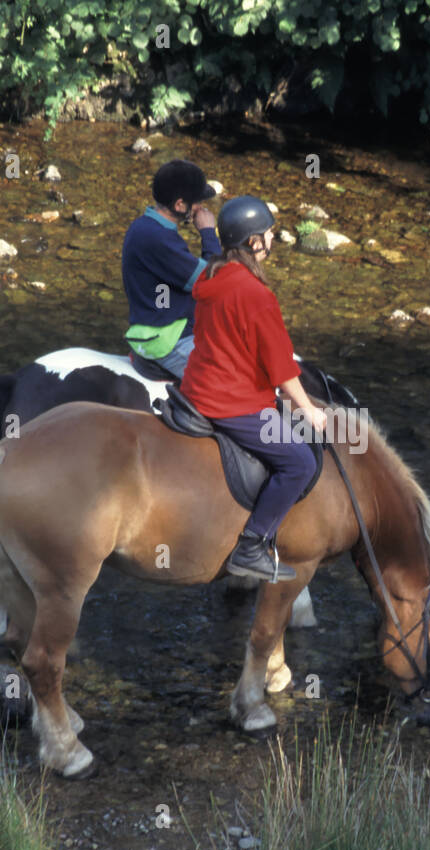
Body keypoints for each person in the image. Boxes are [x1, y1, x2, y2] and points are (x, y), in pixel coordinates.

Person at [180, 195, 327, 583]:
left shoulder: (210, 276)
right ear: (254, 243)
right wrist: (309, 410)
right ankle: (251, 545)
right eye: (269, 234)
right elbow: (281, 369)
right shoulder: (256, 295)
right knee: (300, 463)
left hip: (196, 388)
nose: (273, 240)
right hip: (232, 403)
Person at [121, 160, 220, 378]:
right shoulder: (159, 239)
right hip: (168, 339)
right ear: (179, 205)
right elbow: (212, 278)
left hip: (161, 327)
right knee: (227, 384)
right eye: (197, 202)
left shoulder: (144, 225)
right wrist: (208, 232)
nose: (201, 208)